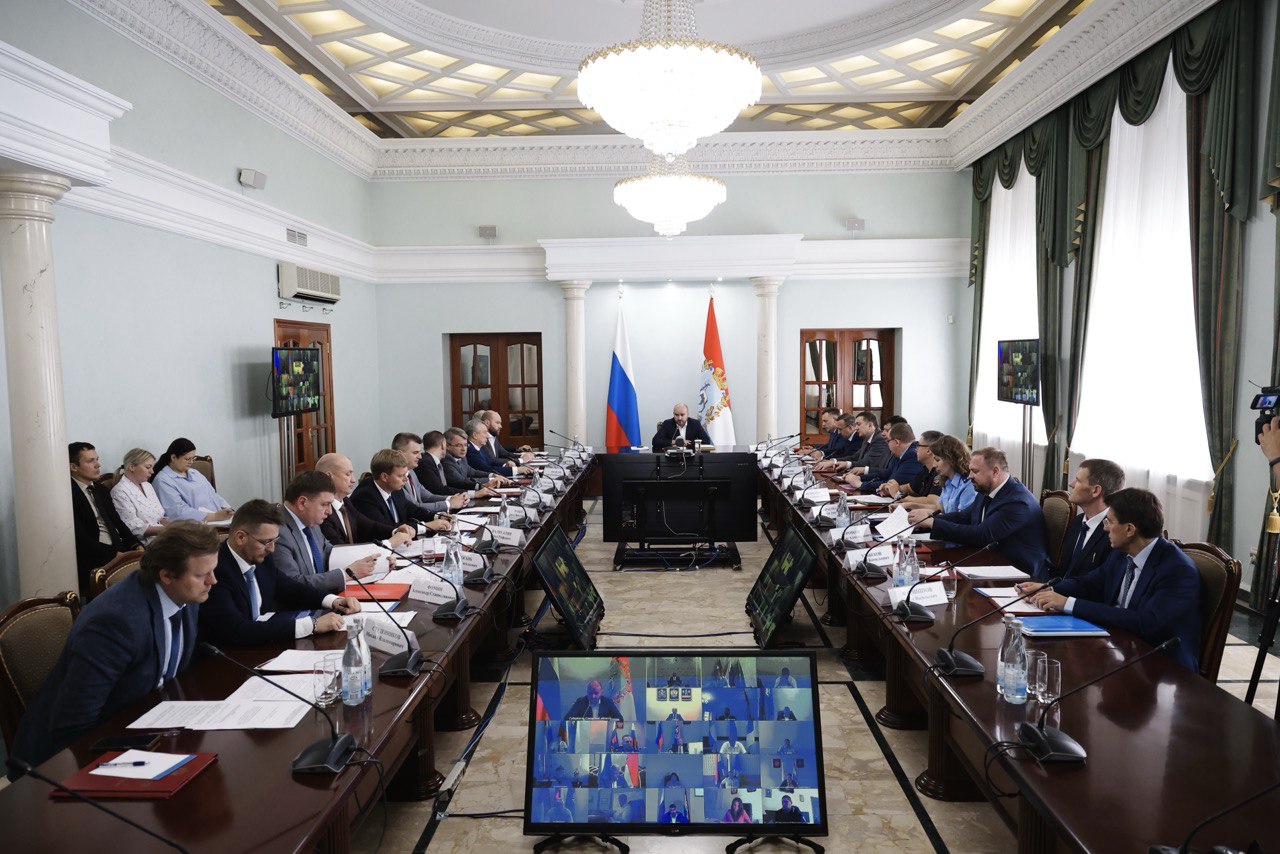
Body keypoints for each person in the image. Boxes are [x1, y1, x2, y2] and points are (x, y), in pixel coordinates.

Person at [9, 522, 220, 771]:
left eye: (213, 571)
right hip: (70, 757)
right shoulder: (115, 621)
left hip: (148, 725)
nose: (213, 581)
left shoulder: (185, 595)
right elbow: (73, 725)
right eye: (202, 575)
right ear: (166, 575)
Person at [1024, 488, 1202, 672]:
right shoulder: (1122, 552)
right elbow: (1091, 583)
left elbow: (1144, 622)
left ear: (1129, 529)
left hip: (1159, 666)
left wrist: (1068, 604)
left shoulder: (1177, 570)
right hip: (1118, 647)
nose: (1105, 527)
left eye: (1109, 521)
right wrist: (1049, 589)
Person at [198, 499, 361, 646]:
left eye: (274, 540)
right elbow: (236, 630)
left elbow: (289, 588)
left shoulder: (260, 556)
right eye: (266, 542)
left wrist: (333, 601)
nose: (272, 549)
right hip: (230, 655)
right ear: (240, 537)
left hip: (263, 645)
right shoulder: (215, 571)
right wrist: (312, 625)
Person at [908, 447, 1049, 578]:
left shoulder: (1017, 502)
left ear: (995, 472)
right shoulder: (986, 489)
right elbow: (964, 516)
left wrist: (933, 523)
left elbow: (981, 535)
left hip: (1020, 571)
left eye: (975, 471)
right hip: (990, 560)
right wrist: (929, 518)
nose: (969, 476)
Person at [273, 470, 378, 593]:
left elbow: (330, 551)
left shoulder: (310, 520)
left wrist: (376, 560)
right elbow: (293, 584)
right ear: (302, 503)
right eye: (325, 504)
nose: (330, 512)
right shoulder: (276, 532)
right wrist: (345, 575)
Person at [69, 441, 141, 595]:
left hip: (117, 550)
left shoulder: (100, 489)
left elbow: (118, 522)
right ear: (74, 467)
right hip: (93, 559)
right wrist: (114, 554)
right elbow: (80, 539)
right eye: (90, 461)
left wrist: (136, 545)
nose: (98, 465)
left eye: (97, 459)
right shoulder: (68, 494)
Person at [314, 453, 415, 547]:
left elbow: (370, 526)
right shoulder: (322, 512)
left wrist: (395, 531)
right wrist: (389, 543)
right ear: (329, 476)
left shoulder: (345, 502)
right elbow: (340, 550)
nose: (353, 480)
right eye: (348, 474)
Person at [350, 449, 452, 533]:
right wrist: (426, 526)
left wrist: (438, 517)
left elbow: (413, 510)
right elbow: (385, 528)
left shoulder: (395, 489)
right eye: (401, 476)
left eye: (406, 474)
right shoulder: (364, 496)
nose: (406, 479)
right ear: (384, 477)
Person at [1057, 459, 1125, 579]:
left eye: (1078, 480)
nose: (1071, 484)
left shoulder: (1115, 533)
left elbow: (1101, 583)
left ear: (1095, 490)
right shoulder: (1076, 522)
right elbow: (1061, 572)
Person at [152, 437, 233, 522]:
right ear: (173, 457)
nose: (191, 462)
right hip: (196, 524)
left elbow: (213, 495)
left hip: (220, 519)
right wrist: (215, 516)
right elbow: (178, 512)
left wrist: (228, 509)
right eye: (187, 459)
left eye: (193, 458)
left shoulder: (194, 473)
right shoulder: (163, 480)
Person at [391, 432, 468, 517]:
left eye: (420, 452)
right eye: (415, 453)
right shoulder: (394, 478)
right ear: (400, 454)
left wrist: (453, 498)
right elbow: (415, 507)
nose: (420, 457)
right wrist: (449, 504)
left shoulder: (411, 472)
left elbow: (428, 497)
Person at [110, 448, 169, 545]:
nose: (152, 472)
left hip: (162, 536)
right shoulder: (120, 492)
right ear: (132, 467)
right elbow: (133, 528)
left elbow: (159, 515)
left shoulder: (147, 485)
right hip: (146, 543)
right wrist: (166, 529)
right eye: (148, 467)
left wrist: (172, 525)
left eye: (152, 467)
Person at [419, 429, 503, 497]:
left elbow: (472, 472)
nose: (464, 449)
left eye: (466, 445)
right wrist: (477, 491)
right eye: (459, 445)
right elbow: (457, 482)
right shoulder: (442, 461)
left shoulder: (461, 457)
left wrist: (492, 476)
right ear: (445, 446)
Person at [846, 421, 923, 492]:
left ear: (897, 442)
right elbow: (885, 474)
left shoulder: (913, 455)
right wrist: (860, 478)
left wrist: (861, 485)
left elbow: (893, 484)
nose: (887, 444)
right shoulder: (901, 453)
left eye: (888, 441)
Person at [815, 412, 890, 474]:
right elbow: (854, 457)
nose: (856, 428)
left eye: (858, 424)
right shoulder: (867, 438)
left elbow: (866, 463)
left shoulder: (880, 439)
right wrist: (834, 461)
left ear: (870, 425)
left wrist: (845, 464)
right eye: (855, 425)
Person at [919, 435, 977, 515]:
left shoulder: (968, 485)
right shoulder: (948, 481)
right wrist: (911, 506)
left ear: (950, 459)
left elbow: (960, 519)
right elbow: (939, 509)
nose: (934, 465)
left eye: (937, 460)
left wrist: (931, 520)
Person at [884, 430, 943, 501]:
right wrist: (889, 488)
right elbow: (910, 488)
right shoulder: (925, 469)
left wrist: (897, 494)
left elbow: (932, 501)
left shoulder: (939, 471)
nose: (916, 449)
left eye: (918, 445)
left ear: (928, 450)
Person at [465, 419, 532, 477]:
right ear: (475, 435)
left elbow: (491, 462)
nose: (488, 436)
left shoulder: (478, 448)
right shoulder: (470, 451)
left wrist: (505, 465)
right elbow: (488, 470)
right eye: (485, 432)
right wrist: (517, 470)